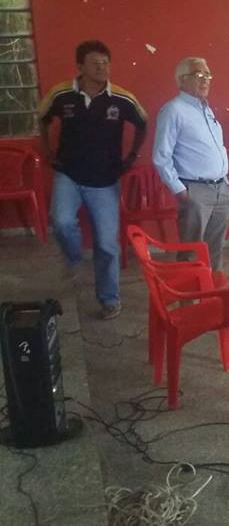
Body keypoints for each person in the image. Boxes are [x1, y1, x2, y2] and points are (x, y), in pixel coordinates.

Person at [38, 40, 147, 320]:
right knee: (61, 221)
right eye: (96, 62)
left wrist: (132, 156)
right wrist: (47, 150)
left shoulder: (122, 98)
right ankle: (74, 261)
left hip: (105, 181)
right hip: (69, 175)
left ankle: (109, 298)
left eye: (106, 62)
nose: (102, 67)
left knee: (107, 245)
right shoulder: (61, 94)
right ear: (80, 67)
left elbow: (142, 122)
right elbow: (43, 117)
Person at [154, 57, 229, 271]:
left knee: (215, 250)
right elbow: (161, 156)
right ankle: (190, 299)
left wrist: (224, 181)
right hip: (195, 190)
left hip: (221, 188)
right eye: (199, 75)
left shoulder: (206, 109)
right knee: (191, 252)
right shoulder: (173, 110)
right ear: (182, 80)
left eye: (208, 75)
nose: (205, 79)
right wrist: (180, 190)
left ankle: (211, 297)